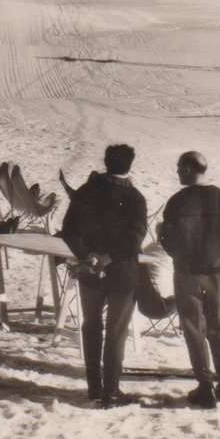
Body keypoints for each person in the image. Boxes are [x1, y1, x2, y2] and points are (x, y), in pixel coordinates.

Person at [61, 144, 147, 407]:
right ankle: (111, 391)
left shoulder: (86, 191)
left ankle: (94, 388)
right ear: (129, 166)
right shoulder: (135, 198)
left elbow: (69, 230)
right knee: (116, 332)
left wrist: (87, 257)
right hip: (121, 272)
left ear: (106, 162)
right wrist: (108, 258)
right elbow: (135, 238)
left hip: (90, 272)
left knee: (91, 325)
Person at [159, 151, 220, 408]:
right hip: (218, 274)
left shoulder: (177, 202)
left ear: (187, 169)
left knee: (193, 328)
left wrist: (172, 249)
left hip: (187, 273)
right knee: (217, 326)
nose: (176, 172)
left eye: (178, 168)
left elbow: (169, 240)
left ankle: (205, 386)